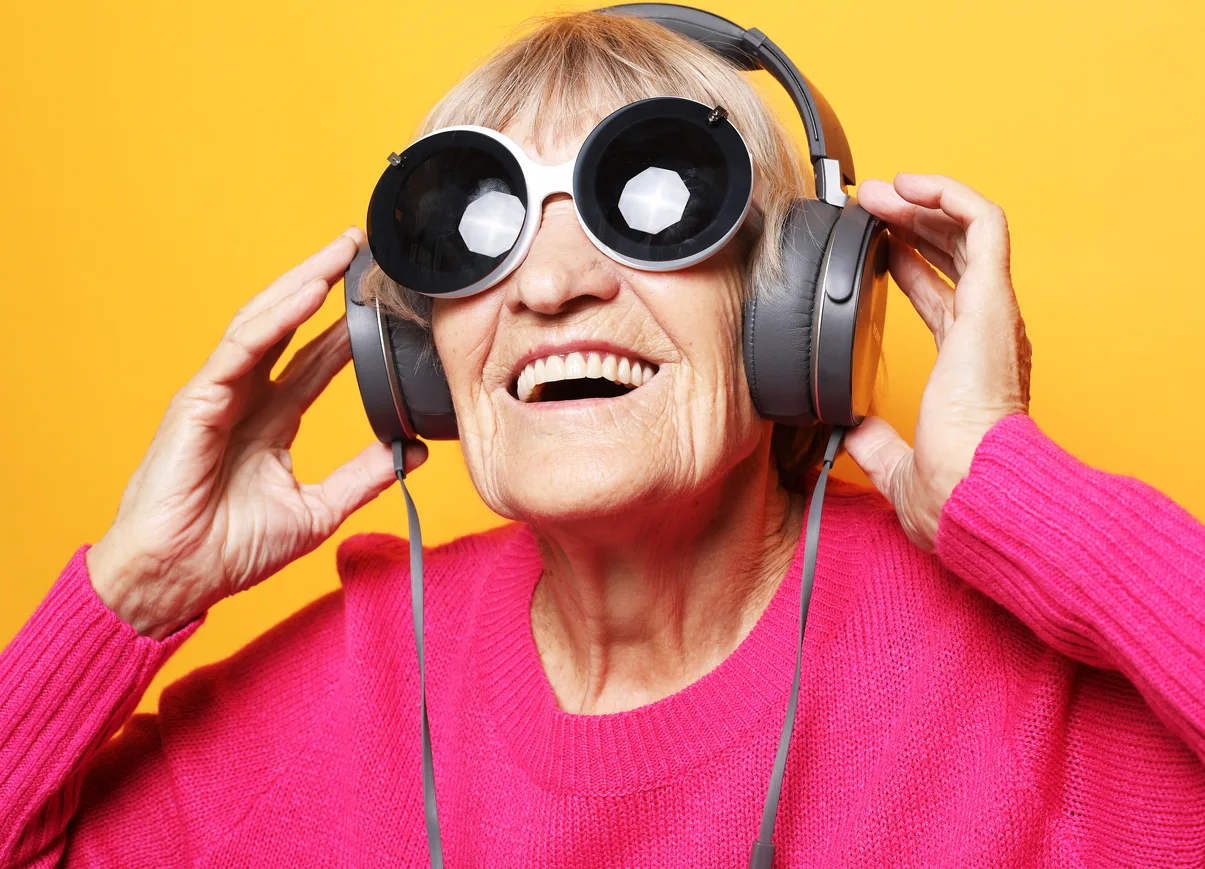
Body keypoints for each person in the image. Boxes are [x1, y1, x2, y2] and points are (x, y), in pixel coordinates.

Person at [3, 9, 1204, 868]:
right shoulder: (344, 689)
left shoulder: (1019, 705)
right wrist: (131, 591)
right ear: (417, 350)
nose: (554, 285)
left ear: (798, 304)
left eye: (657, 202)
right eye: (482, 228)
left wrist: (1025, 501)